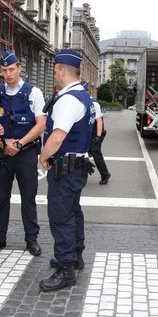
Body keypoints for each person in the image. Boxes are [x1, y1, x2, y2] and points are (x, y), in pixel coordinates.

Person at [39, 49, 95, 292]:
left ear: (61, 71)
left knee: (61, 217)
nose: (55, 74)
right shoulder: (84, 97)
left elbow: (57, 137)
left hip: (65, 168)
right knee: (73, 213)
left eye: (55, 71)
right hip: (76, 166)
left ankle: (65, 268)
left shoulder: (69, 99)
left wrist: (43, 156)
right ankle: (74, 255)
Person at [0, 50, 45, 257]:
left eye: (11, 69)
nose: (8, 74)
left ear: (19, 68)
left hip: (25, 153)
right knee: (1, 198)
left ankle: (31, 239)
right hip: (1, 154)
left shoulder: (33, 92)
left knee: (28, 198)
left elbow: (41, 125)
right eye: (4, 70)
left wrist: (18, 144)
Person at [83, 82, 110, 185]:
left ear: (87, 92)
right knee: (83, 153)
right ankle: (82, 174)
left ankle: (105, 174)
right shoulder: (84, 101)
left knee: (96, 154)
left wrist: (98, 136)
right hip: (88, 133)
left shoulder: (93, 103)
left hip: (95, 133)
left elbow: (99, 121)